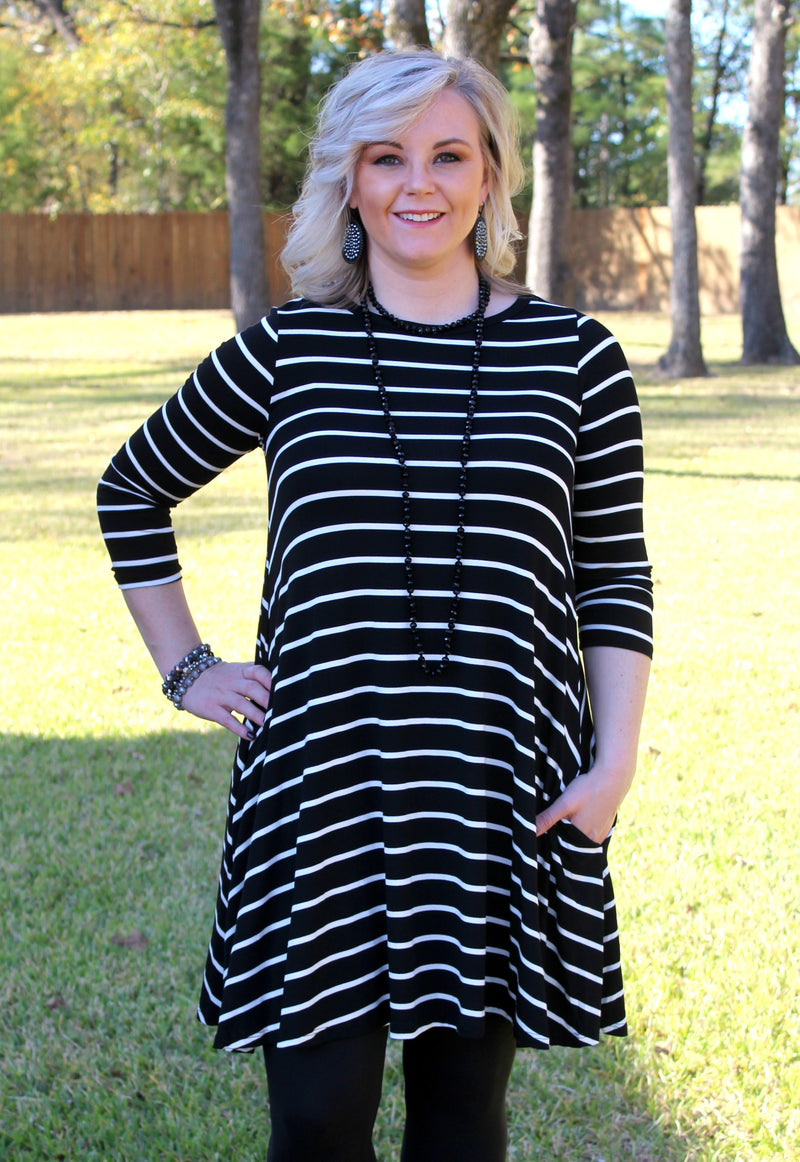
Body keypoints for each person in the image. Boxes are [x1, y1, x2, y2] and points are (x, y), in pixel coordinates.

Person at [98, 49, 652, 1162]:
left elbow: (613, 576)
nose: (418, 182)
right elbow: (131, 488)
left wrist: (613, 765)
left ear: (491, 173)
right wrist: (188, 668)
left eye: (449, 153)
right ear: (347, 181)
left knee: (461, 1120)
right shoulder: (288, 351)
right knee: (315, 1120)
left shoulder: (575, 359)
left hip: (499, 785)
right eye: (385, 155)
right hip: (324, 787)